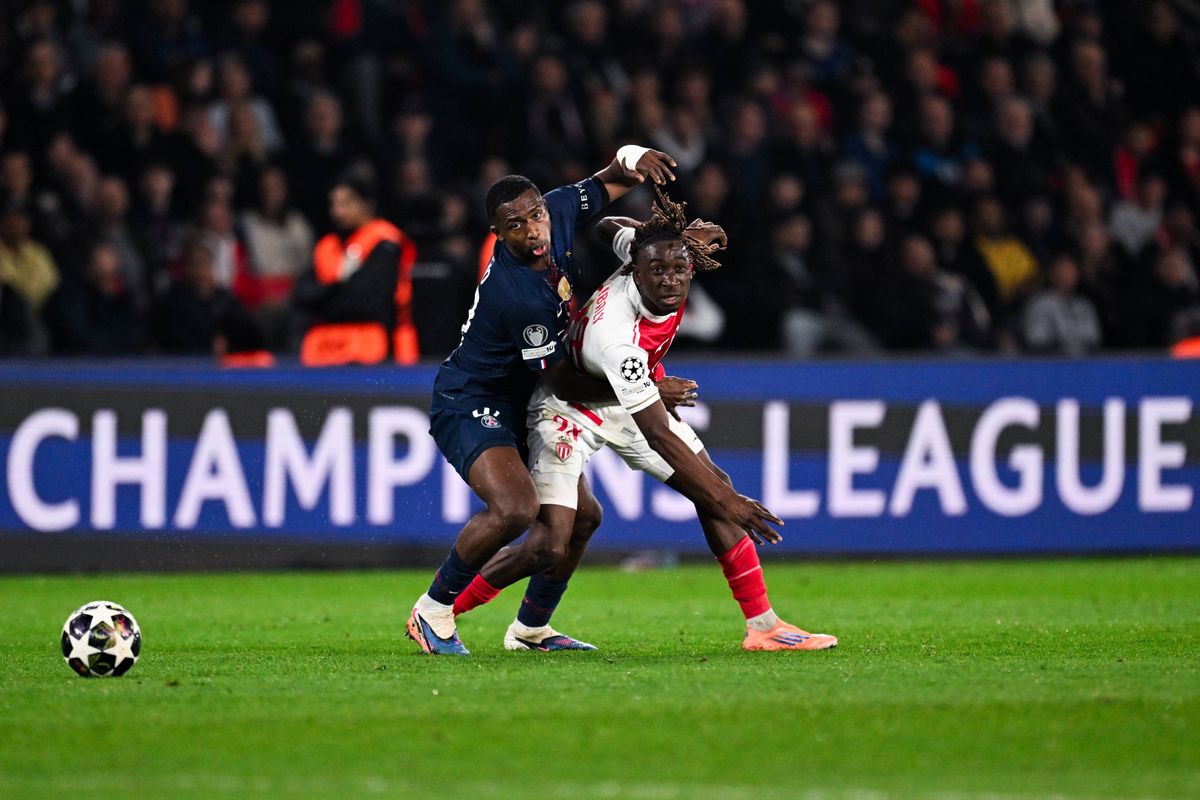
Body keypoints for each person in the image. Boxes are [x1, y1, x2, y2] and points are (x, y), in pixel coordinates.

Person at [453, 187, 838, 653]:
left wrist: (672, 239)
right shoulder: (619, 338)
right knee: (548, 544)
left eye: (679, 269)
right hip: (566, 409)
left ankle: (764, 626)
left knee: (711, 487)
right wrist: (731, 502)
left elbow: (605, 226)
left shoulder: (650, 255)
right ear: (636, 272)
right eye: (658, 271)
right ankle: (442, 611)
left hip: (620, 395)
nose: (670, 280)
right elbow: (656, 432)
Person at [406, 145, 686, 655]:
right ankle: (433, 609)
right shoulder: (519, 297)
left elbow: (611, 178)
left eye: (535, 216)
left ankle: (531, 630)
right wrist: (644, 387)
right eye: (515, 225)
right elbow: (565, 385)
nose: (533, 230)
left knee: (584, 519)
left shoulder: (555, 210)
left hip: (524, 398)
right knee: (515, 508)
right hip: (473, 400)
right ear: (498, 233)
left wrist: (636, 158)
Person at [292, 166, 418, 365]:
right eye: (334, 203)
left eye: (346, 203)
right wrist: (338, 289)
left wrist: (325, 297)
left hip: (374, 351)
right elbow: (302, 294)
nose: (338, 211)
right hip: (324, 349)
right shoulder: (327, 246)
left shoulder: (385, 242)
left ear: (367, 204)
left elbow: (368, 300)